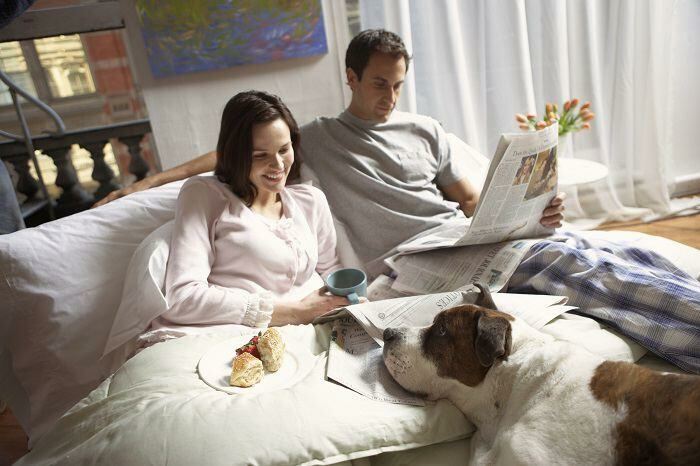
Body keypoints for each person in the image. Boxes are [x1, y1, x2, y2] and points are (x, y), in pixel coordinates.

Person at [96, 30, 699, 373]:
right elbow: (233, 151)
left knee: (599, 251)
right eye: (379, 83)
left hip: (465, 240)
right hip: (417, 259)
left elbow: (470, 203)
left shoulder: (425, 130)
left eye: (398, 84)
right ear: (352, 79)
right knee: (576, 268)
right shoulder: (317, 141)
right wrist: (149, 180)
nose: (389, 96)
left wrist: (526, 216)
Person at [155, 90, 350, 330]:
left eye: (283, 149)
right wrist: (296, 313)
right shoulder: (205, 195)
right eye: (260, 155)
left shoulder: (311, 201)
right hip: (241, 335)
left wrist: (351, 300)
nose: (278, 165)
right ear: (235, 154)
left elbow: (331, 269)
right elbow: (182, 297)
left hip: (318, 327)